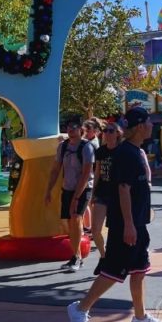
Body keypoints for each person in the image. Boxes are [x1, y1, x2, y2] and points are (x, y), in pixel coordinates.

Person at [67, 106, 162, 322]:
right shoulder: (127, 153)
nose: (152, 125)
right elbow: (123, 189)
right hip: (125, 224)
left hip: (137, 223)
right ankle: (80, 309)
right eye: (149, 122)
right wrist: (129, 224)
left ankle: (140, 318)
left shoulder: (135, 151)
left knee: (139, 270)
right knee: (113, 270)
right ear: (140, 126)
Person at [44, 115, 95, 272]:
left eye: (74, 128)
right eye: (68, 128)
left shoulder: (87, 147)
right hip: (67, 188)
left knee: (76, 219)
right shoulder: (63, 147)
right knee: (68, 222)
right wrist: (48, 190)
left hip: (83, 188)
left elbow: (86, 174)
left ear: (81, 130)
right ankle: (75, 255)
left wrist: (76, 197)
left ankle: (77, 257)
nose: (71, 131)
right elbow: (55, 169)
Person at [90, 121, 123, 259]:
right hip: (102, 193)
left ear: (117, 133)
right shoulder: (100, 151)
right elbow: (97, 172)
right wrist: (92, 193)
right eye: (106, 130)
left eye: (111, 130)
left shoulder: (122, 150)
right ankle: (104, 257)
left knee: (116, 229)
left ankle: (117, 256)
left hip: (118, 194)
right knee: (95, 229)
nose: (107, 133)